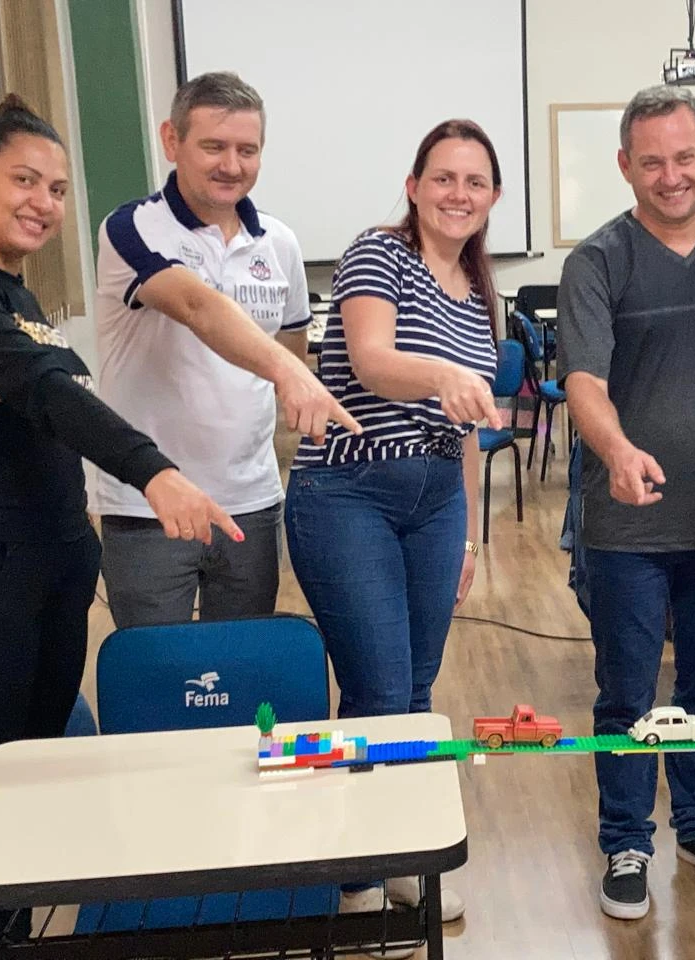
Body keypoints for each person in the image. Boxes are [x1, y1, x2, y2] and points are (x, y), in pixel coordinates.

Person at [0, 95, 238, 960]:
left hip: (48, 563)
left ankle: (8, 937)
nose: (43, 203)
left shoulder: (16, 296)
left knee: (31, 767)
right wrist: (155, 471)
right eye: (24, 180)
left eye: (55, 189)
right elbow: (48, 391)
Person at [285, 119, 504, 937]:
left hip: (437, 501)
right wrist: (444, 374)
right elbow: (371, 360)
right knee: (377, 689)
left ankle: (401, 852)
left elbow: (468, 429)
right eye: (442, 178)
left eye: (474, 182)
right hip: (349, 493)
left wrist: (470, 533)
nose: (458, 194)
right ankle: (357, 880)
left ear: (493, 198)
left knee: (414, 690)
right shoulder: (377, 253)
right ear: (414, 188)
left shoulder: (478, 291)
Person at [557, 85, 695, 921]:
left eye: (685, 157)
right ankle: (625, 840)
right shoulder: (597, 262)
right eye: (651, 162)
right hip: (626, 529)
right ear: (624, 166)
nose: (671, 175)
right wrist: (615, 450)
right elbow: (584, 380)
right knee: (627, 695)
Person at [92, 71, 358, 628]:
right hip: (149, 503)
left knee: (239, 667)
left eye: (247, 150)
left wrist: (294, 380)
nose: (232, 166)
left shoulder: (279, 243)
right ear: (172, 140)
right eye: (213, 146)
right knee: (159, 669)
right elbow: (197, 307)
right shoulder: (130, 228)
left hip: (250, 503)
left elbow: (288, 349)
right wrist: (290, 372)